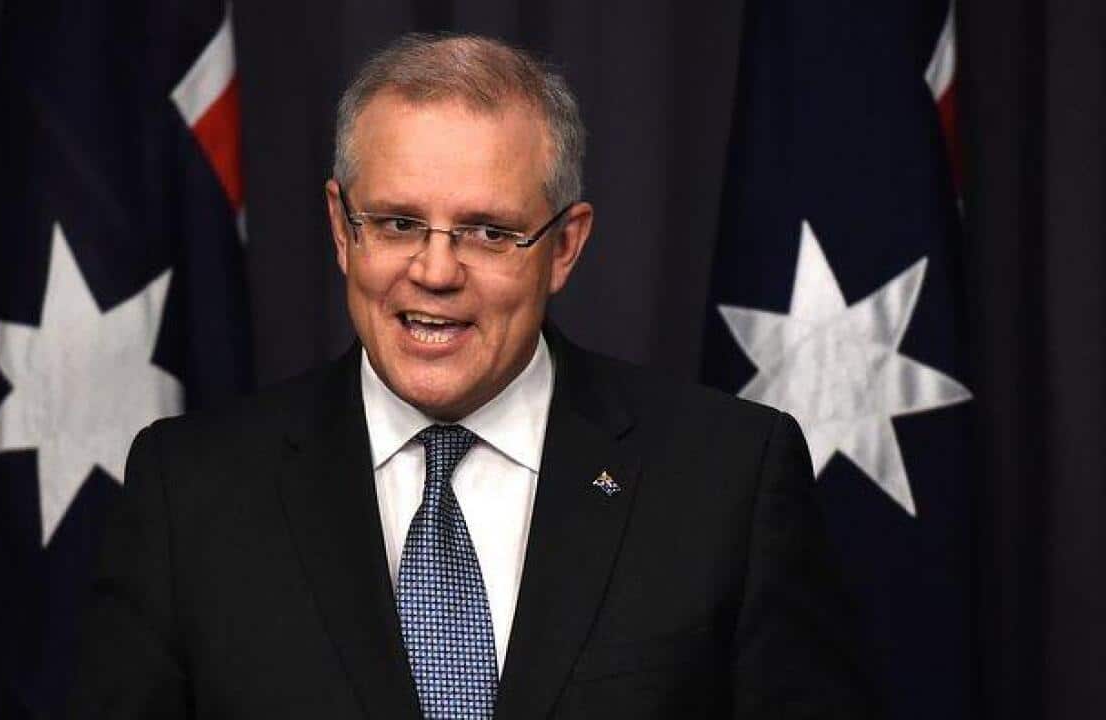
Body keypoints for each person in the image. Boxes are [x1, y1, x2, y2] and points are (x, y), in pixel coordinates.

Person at [69, 33, 874, 719]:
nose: (435, 271)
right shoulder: (190, 492)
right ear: (341, 231)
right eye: (396, 223)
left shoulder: (729, 479)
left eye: (489, 233)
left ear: (565, 247)